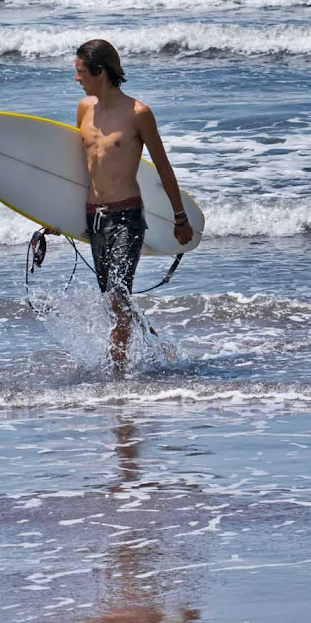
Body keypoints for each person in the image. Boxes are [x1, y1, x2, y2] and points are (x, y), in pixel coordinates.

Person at [74, 39, 193, 373]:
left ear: (101, 71)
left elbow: (164, 169)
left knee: (117, 297)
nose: (76, 78)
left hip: (127, 216)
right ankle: (159, 346)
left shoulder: (138, 114)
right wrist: (55, 215)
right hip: (93, 217)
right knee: (115, 302)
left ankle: (117, 372)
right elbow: (75, 169)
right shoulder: (84, 109)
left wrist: (179, 217)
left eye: (81, 72)